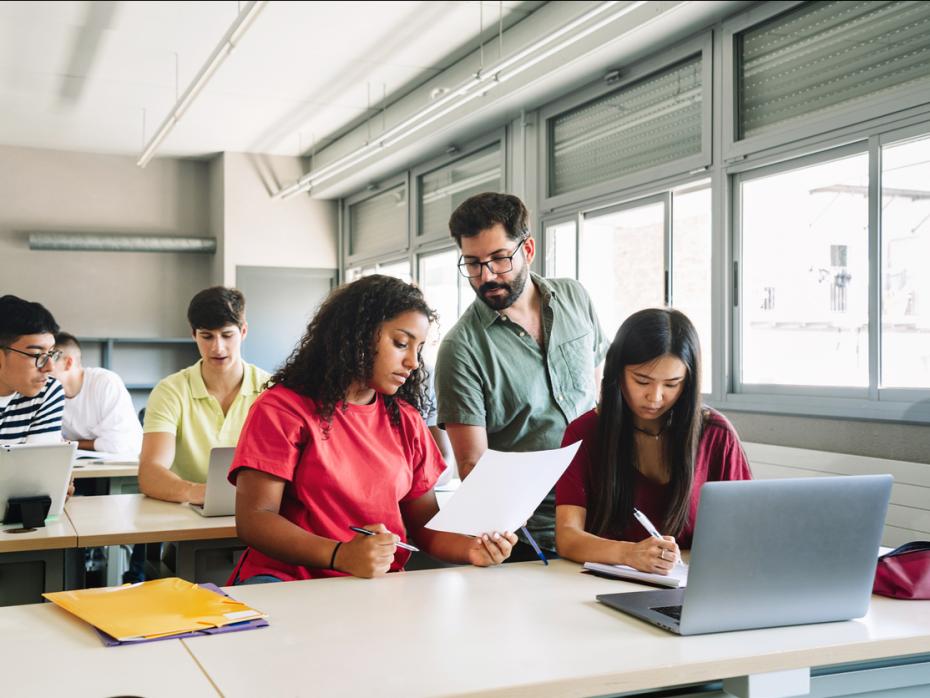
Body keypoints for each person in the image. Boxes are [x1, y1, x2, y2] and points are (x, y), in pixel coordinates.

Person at [229, 275, 517, 584]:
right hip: (287, 581)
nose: (413, 363)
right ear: (358, 335)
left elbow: (425, 529)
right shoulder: (282, 409)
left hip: (373, 586)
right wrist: (340, 554)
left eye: (417, 349)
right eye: (401, 343)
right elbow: (255, 519)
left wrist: (473, 548)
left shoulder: (406, 420)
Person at [435, 192, 607, 560]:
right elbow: (472, 466)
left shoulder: (575, 298)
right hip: (531, 538)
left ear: (527, 249)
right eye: (472, 264)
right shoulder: (460, 348)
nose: (486, 276)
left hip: (602, 518)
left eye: (499, 259)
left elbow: (597, 398)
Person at [555, 308, 752, 574]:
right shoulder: (584, 433)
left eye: (672, 384)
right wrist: (630, 553)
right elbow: (567, 537)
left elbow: (747, 530)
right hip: (604, 584)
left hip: (694, 584)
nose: (655, 397)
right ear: (618, 372)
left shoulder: (717, 434)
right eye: (642, 381)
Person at [138, 287, 269, 505]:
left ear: (243, 332)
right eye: (207, 336)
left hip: (257, 510)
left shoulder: (271, 390)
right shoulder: (170, 391)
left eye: (227, 335)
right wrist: (199, 493)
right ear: (193, 334)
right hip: (188, 513)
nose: (218, 347)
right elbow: (150, 472)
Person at [50, 332, 142, 456]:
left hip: (119, 466)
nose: (42, 367)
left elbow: (120, 444)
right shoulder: (46, 391)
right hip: (75, 465)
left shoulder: (105, 382)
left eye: (48, 360)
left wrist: (72, 443)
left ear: (68, 363)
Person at [0, 295, 65, 446]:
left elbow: (37, 467)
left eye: (51, 353)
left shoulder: (47, 391)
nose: (50, 367)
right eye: (37, 355)